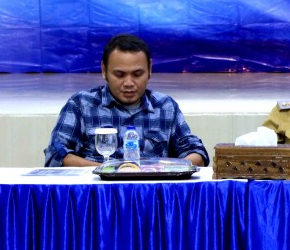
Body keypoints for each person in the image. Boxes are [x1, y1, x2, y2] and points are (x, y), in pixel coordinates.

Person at [44, 34, 209, 167]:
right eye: (119, 75)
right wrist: (105, 171)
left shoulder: (165, 106)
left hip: (151, 192)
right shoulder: (81, 104)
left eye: (137, 74)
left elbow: (196, 152)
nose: (129, 83)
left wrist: (162, 169)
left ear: (150, 70)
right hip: (99, 193)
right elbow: (56, 154)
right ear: (104, 70)